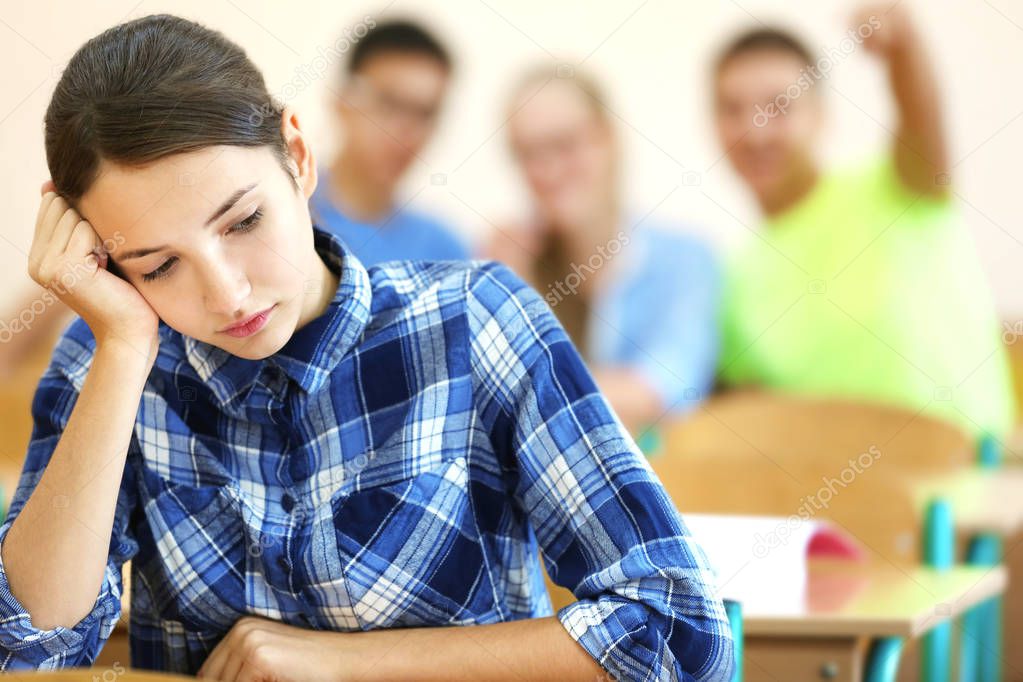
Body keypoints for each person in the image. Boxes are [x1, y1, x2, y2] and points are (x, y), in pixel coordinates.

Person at [0, 15, 734, 680]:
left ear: (295, 153)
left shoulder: (477, 323)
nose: (227, 296)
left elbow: (680, 631)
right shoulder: (105, 365)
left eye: (243, 221)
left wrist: (350, 665)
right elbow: (28, 649)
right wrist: (124, 345)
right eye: (159, 266)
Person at [713, 5, 1016, 438]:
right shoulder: (735, 277)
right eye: (731, 109)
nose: (754, 131)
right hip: (841, 498)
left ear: (821, 115)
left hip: (979, 484)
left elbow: (921, 118)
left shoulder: (899, 188)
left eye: (779, 107)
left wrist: (904, 48)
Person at [486, 68, 721, 433]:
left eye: (564, 144)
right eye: (528, 153)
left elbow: (665, 388)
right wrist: (508, 300)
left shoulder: (685, 261)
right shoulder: (509, 267)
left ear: (609, 139)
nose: (547, 170)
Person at [310, 20, 469, 266]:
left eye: (425, 113)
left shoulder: (446, 251)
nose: (407, 131)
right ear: (342, 101)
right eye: (390, 104)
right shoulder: (288, 214)